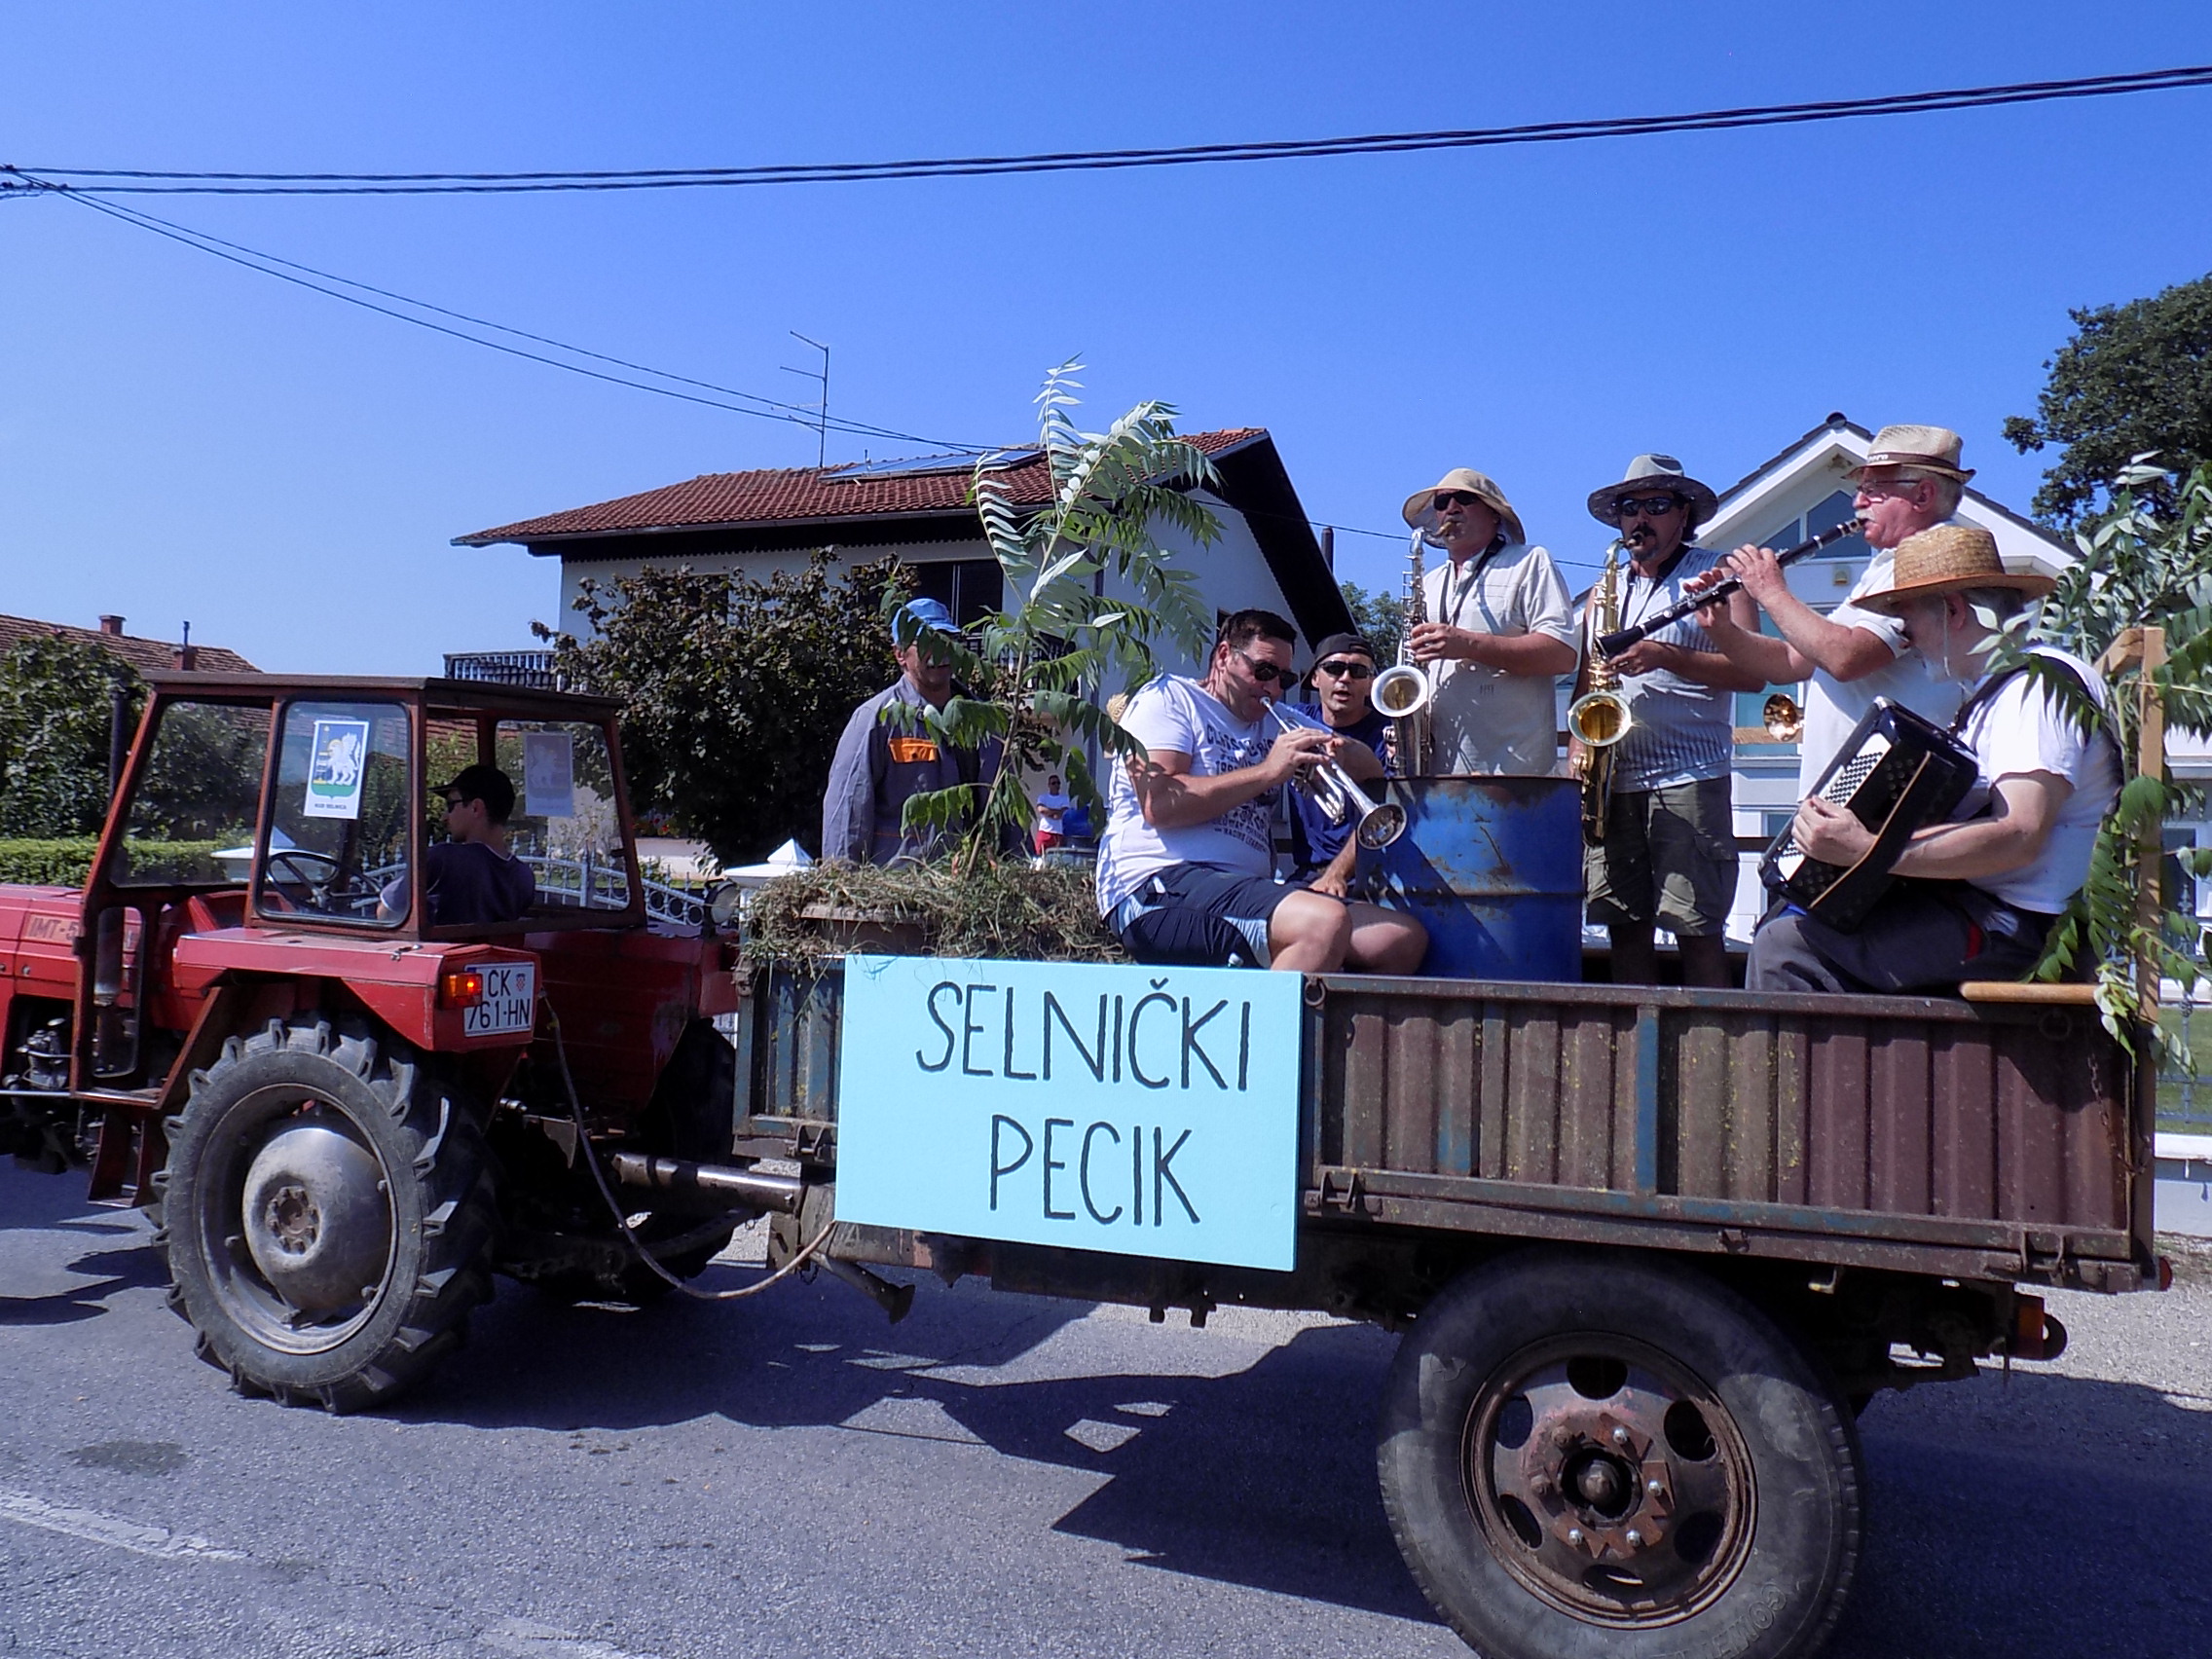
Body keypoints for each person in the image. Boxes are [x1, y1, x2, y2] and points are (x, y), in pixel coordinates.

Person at [1746, 524, 2118, 995]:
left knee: (1786, 947)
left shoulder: (2034, 689)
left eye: (1908, 622)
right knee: (1795, 911)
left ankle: (1794, 1071)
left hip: (2023, 931)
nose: (1908, 638)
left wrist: (1866, 850)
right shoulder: (1999, 692)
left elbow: (2019, 835)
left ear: (1954, 610)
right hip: (1991, 912)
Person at [1096, 609, 1428, 974]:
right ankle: (1264, 1028)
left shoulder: (1277, 718)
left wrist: (1342, 752)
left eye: (1284, 678)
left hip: (1244, 887)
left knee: (1398, 940)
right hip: (1157, 884)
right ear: (1224, 656)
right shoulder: (1169, 698)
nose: (1272, 688)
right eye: (1264, 671)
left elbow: (1369, 767)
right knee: (1322, 922)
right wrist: (1269, 772)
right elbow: (1158, 804)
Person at [1575, 455, 1766, 987]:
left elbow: (1752, 674)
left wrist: (1668, 656)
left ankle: (1720, 1058)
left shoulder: (1717, 574)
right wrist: (1578, 749)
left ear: (1684, 515)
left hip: (1690, 775)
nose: (1640, 518)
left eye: (1656, 505)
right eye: (1629, 508)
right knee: (1622, 927)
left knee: (1696, 927)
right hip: (1614, 779)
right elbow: (1586, 682)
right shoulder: (1604, 590)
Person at [1694, 424, 1970, 791]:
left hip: (1887, 791)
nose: (1857, 502)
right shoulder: (1887, 563)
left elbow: (1847, 658)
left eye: (1873, 490)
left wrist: (1771, 591)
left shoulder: (1929, 558)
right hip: (1852, 794)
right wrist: (1720, 628)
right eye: (1860, 490)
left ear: (1922, 495)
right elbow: (1791, 662)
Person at [1400, 468, 1580, 774]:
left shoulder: (1529, 562)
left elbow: (1562, 654)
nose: (1451, 509)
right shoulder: (1428, 583)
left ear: (1495, 514)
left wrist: (1468, 644)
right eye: (1442, 502)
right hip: (1435, 774)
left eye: (1465, 499)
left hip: (1513, 776)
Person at [822, 598, 1001, 865]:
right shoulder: (875, 720)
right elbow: (848, 814)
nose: (939, 653)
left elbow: (1005, 816)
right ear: (900, 654)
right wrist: (841, 888)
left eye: (945, 640)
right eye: (926, 643)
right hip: (894, 892)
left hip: (964, 891)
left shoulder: (983, 722)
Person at [1282, 631, 1393, 896]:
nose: (1345, 679)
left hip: (1375, 873)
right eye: (1334, 668)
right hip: (1306, 873)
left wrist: (1336, 875)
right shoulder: (1291, 720)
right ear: (1315, 678)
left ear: (1370, 684)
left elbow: (1386, 816)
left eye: (1358, 671)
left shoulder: (1389, 735)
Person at [380, 763, 537, 928]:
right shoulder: (524, 877)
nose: (444, 817)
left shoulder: (442, 859)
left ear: (476, 808)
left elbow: (386, 914)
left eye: (450, 805)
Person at [1032, 774, 1073, 855]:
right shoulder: (1043, 797)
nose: (1056, 785)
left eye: (1058, 783)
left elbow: (1063, 812)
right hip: (1044, 831)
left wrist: (1048, 813)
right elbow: (1041, 809)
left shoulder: (1064, 798)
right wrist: (1055, 813)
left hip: (1057, 832)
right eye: (1054, 783)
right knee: (1040, 853)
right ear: (1049, 785)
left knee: (1056, 856)